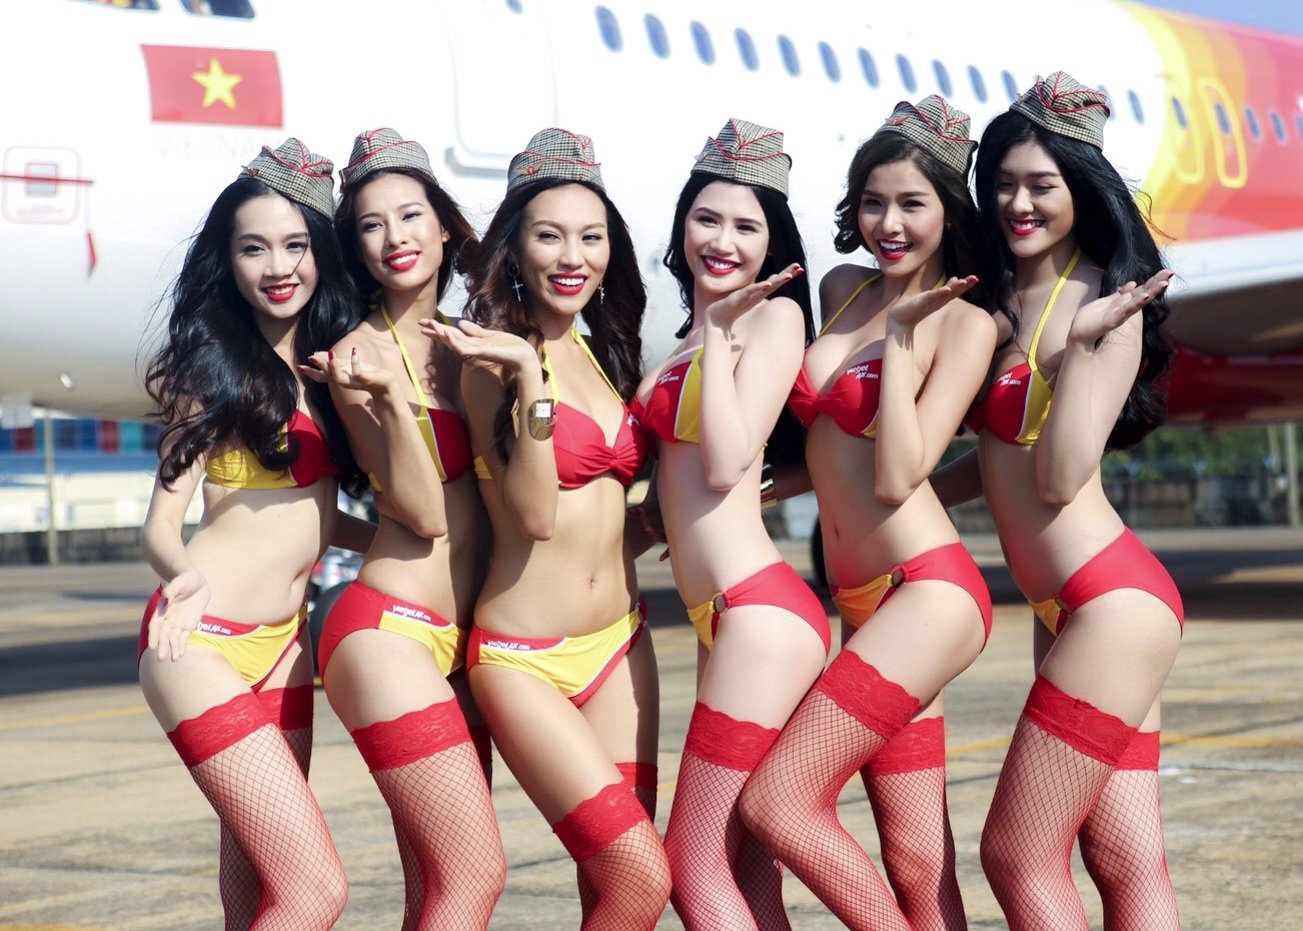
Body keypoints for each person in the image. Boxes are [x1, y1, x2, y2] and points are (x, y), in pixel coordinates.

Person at [740, 96, 996, 931]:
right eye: (872, 202)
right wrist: (735, 500)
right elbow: (825, 446)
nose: (887, 223)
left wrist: (908, 340)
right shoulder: (842, 287)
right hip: (859, 599)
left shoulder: (965, 324)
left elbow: (896, 475)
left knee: (778, 803)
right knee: (914, 859)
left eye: (911, 203)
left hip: (925, 589)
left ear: (947, 211)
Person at [425, 128, 669, 931]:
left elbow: (617, 501)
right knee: (640, 876)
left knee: (616, 893)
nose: (573, 256)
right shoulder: (491, 360)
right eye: (549, 236)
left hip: (621, 645)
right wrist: (530, 377)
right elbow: (533, 514)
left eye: (591, 237)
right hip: (525, 659)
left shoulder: (606, 352)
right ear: (515, 249)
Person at [961, 72, 1181, 930]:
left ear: (1079, 190)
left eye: (1041, 184)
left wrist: (1083, 350)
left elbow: (1056, 479)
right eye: (1003, 183)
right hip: (1064, 607)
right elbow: (998, 457)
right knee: (1123, 855)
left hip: (1108, 603)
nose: (1018, 203)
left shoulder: (1103, 303)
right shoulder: (997, 299)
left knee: (1017, 853)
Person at [139, 138, 371, 929]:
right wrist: (181, 577)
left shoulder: (329, 377)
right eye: (253, 248)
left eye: (295, 245)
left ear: (321, 254)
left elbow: (316, 517)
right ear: (228, 261)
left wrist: (409, 549)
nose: (278, 266)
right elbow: (161, 524)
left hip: (284, 650)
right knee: (315, 891)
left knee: (261, 888)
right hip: (198, 639)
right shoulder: (212, 377)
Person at [302, 128, 504, 929]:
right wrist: (389, 395)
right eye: (370, 224)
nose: (394, 237)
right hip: (392, 628)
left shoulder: (476, 338)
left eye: (410, 215)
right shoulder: (357, 356)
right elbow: (418, 510)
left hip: (467, 639)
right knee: (475, 874)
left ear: (445, 225)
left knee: (438, 884)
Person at [631, 118, 825, 930]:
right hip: (721, 619)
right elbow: (674, 487)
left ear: (772, 242)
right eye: (706, 218)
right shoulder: (685, 336)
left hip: (758, 613)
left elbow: (726, 461)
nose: (722, 240)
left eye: (746, 226)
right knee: (744, 870)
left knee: (692, 865)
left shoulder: (772, 320)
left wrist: (714, 335)